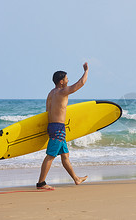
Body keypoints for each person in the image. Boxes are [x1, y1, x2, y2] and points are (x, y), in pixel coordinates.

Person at [36, 62, 89, 190]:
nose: (68, 80)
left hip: (53, 126)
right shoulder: (62, 92)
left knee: (65, 155)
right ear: (61, 81)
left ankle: (76, 179)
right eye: (66, 78)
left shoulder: (51, 93)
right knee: (50, 155)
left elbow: (47, 111)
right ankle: (41, 183)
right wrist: (86, 71)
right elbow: (80, 84)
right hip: (58, 128)